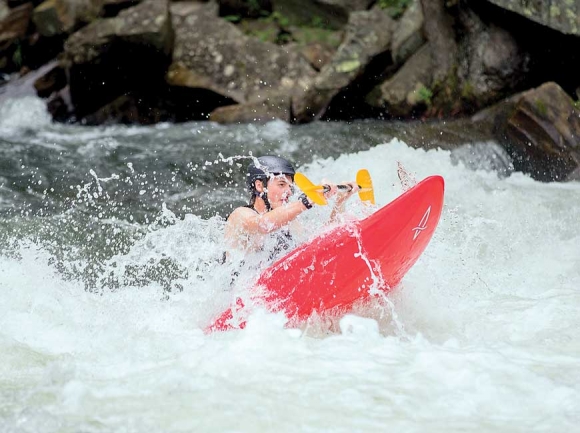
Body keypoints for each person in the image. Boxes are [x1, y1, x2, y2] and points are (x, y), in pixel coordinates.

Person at [224, 155, 358, 261]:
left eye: (290, 186)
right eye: (281, 184)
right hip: (233, 292)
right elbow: (264, 225)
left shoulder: (289, 222)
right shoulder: (241, 215)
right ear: (260, 186)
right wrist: (307, 201)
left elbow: (319, 243)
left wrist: (340, 202)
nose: (289, 192)